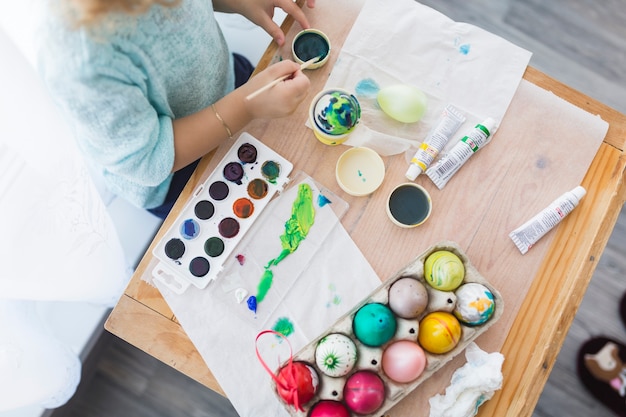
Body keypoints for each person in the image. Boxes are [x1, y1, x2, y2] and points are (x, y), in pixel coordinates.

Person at [36, 0, 316, 219]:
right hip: (176, 172)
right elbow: (148, 158)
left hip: (231, 84)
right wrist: (246, 107)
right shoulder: (79, 59)